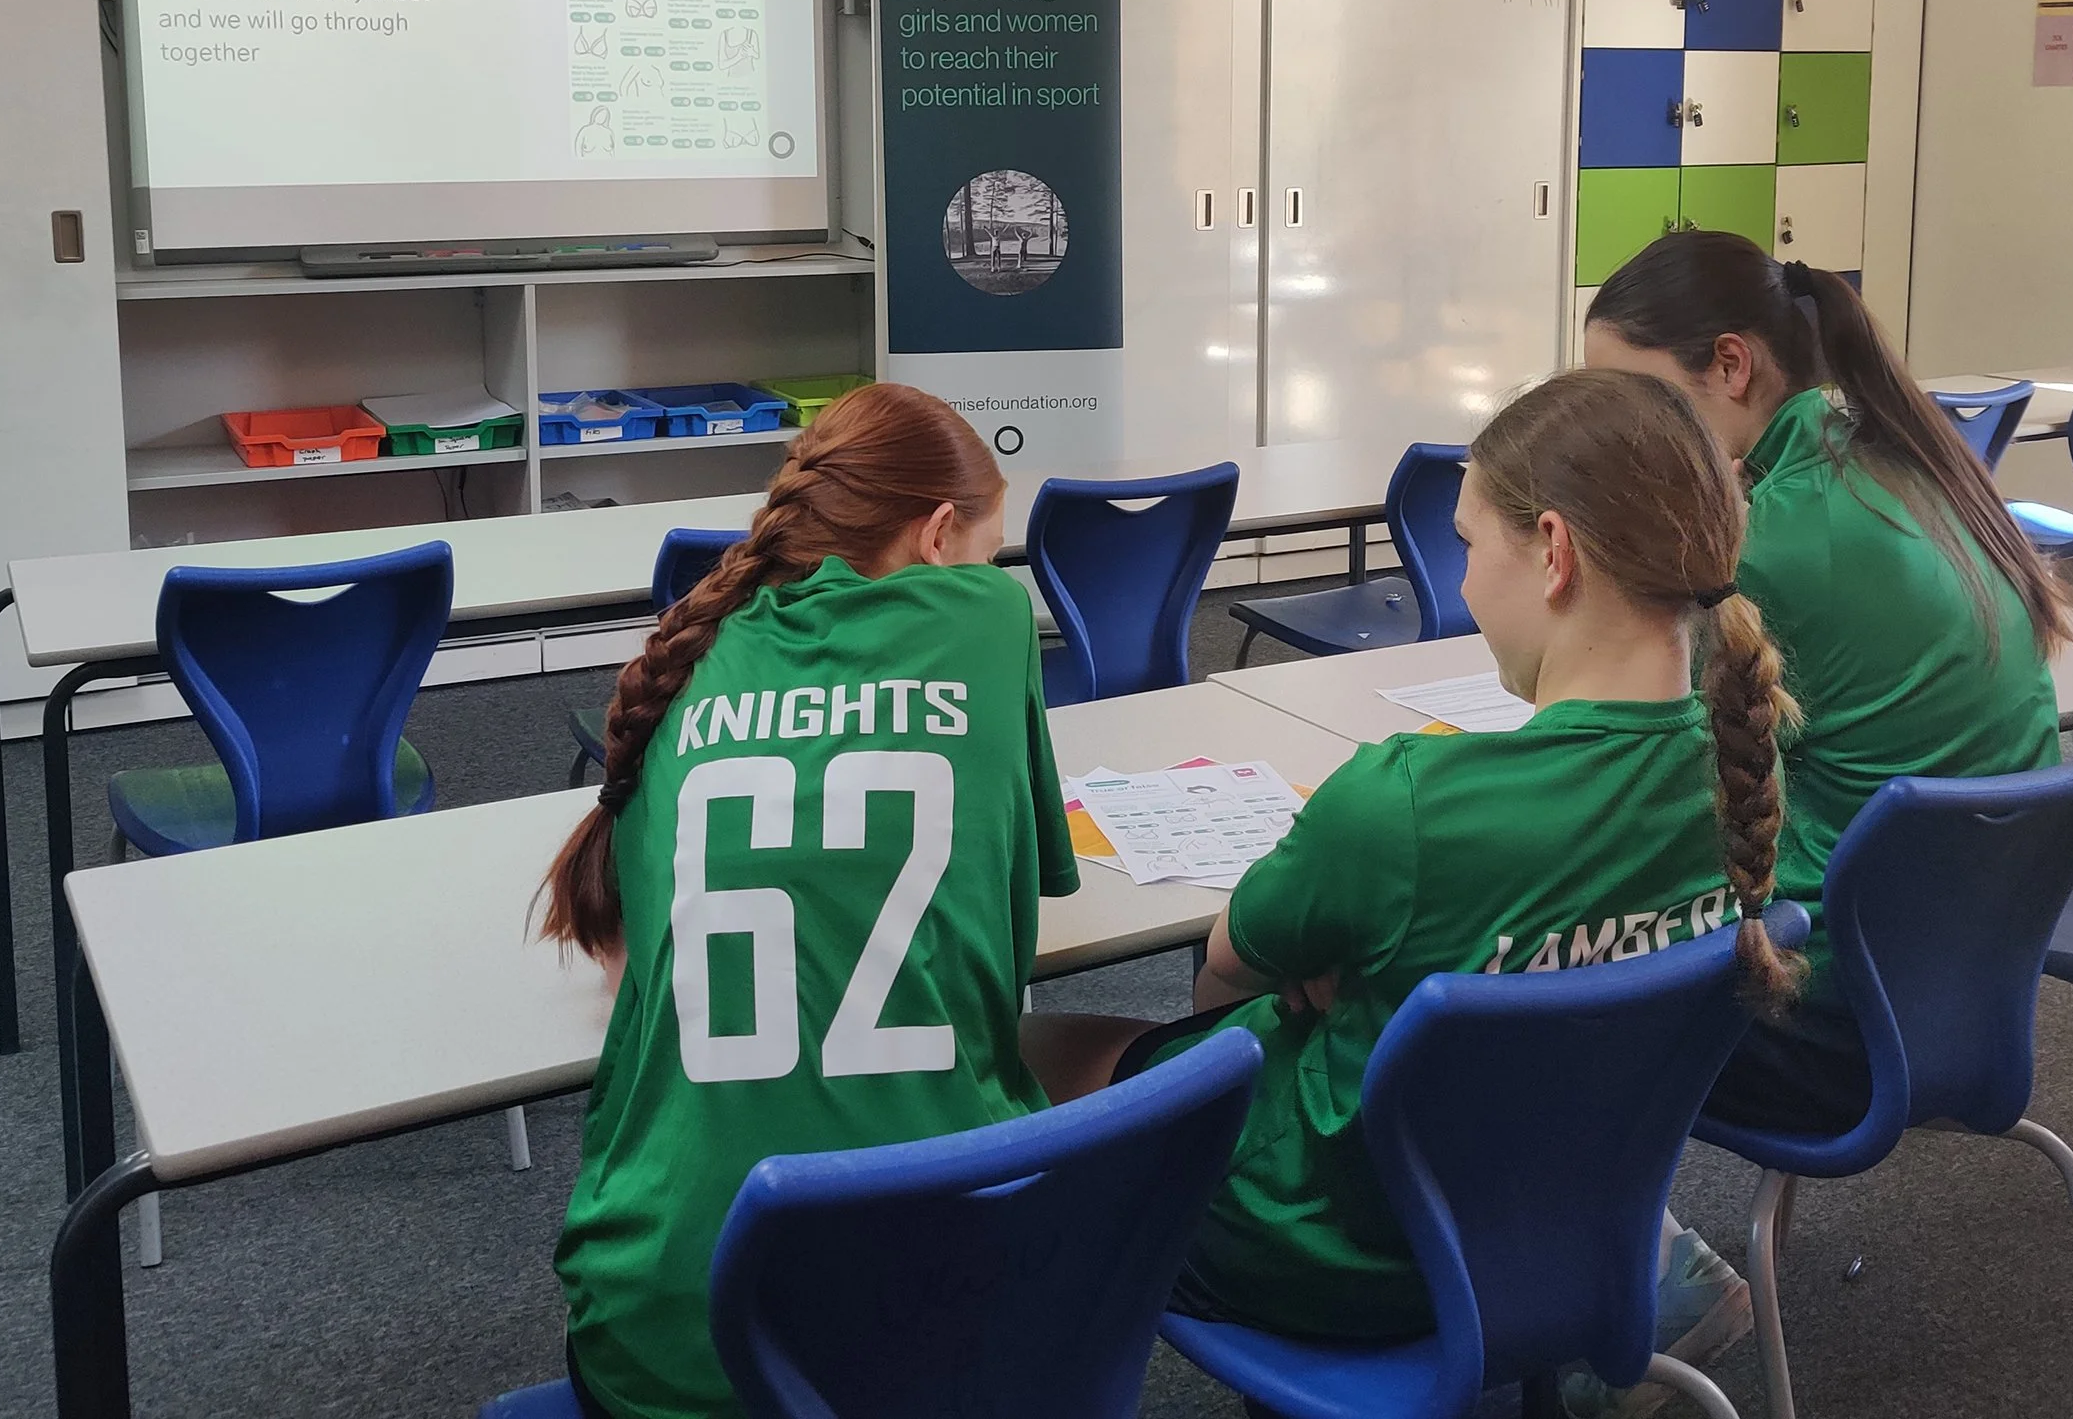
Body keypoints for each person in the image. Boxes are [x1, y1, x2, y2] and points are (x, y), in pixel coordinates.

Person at [1021, 368, 1804, 1404]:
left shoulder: (1405, 800)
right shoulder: (1746, 774)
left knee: (1021, 1049)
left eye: (1468, 545)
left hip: (1339, 1256)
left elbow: (1224, 977)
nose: (1464, 582)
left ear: (1556, 552)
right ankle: (1645, 1270)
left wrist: (1325, 981)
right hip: (1554, 1219)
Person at [541, 382, 1077, 1419]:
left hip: (665, 1328)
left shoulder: (678, 663)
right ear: (934, 537)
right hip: (941, 1316)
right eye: (985, 547)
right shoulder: (987, 615)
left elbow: (625, 957)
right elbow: (1032, 898)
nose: (992, 573)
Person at [1583, 231, 2068, 1134]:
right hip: (1962, 986)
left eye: (1633, 397)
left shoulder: (1770, 545)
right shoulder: (1912, 466)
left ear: (1731, 365)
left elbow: (1638, 781)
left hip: (1825, 1014)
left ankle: (1659, 1264)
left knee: (1506, 973)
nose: (1623, 431)